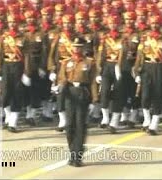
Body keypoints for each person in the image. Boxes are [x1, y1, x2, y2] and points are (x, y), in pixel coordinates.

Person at [57, 37, 98, 167]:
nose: (77, 49)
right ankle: (72, 153)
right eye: (75, 46)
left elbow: (92, 82)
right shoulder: (66, 62)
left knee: (80, 125)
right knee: (69, 126)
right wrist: (61, 85)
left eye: (79, 47)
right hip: (70, 93)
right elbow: (62, 77)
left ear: (83, 48)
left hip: (82, 93)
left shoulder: (90, 63)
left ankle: (77, 156)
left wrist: (94, 99)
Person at [0, 14, 30, 132]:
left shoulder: (23, 38)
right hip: (6, 66)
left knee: (17, 93)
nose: (12, 24)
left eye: (14, 22)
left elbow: (27, 56)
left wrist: (26, 72)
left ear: (18, 23)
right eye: (10, 22)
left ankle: (13, 123)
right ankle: (8, 117)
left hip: (18, 66)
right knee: (4, 93)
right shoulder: (4, 37)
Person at [133, 15, 162, 135]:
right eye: (152, 23)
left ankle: (154, 124)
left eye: (157, 23)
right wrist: (137, 71)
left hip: (159, 68)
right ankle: (147, 119)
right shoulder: (144, 39)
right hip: (147, 68)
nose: (154, 25)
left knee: (157, 96)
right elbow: (139, 56)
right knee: (145, 96)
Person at [96, 15, 125, 134]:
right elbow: (100, 54)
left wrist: (119, 66)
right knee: (104, 92)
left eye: (115, 23)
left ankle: (115, 121)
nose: (113, 25)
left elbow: (124, 54)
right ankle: (105, 117)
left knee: (118, 93)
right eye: (111, 23)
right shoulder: (105, 38)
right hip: (107, 66)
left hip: (118, 67)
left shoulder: (123, 38)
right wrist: (98, 71)